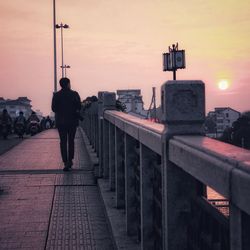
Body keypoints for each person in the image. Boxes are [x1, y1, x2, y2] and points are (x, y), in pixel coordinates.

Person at [52, 77, 81, 171]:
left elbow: (54, 109)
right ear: (68, 84)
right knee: (71, 141)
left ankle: (65, 162)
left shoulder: (56, 95)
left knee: (63, 142)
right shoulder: (74, 94)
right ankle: (70, 160)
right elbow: (79, 106)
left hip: (61, 122)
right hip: (72, 121)